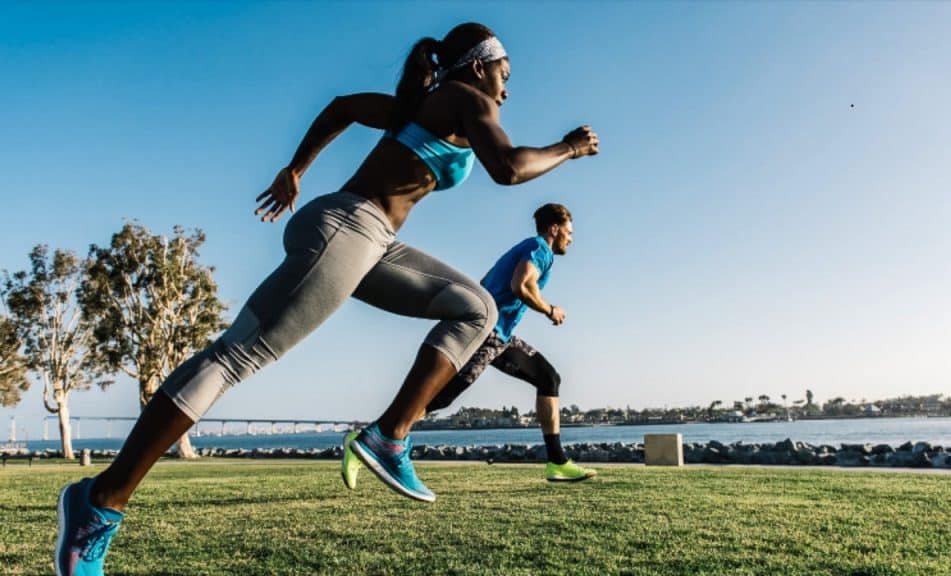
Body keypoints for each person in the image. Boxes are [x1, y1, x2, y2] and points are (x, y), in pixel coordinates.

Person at [55, 22, 598, 576]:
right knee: (235, 357)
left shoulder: (422, 106)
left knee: (477, 309)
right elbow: (507, 168)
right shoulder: (462, 96)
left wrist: (296, 170)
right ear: (481, 66)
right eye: (505, 76)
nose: (507, 91)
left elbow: (343, 107)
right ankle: (99, 504)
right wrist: (570, 148)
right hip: (350, 228)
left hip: (371, 239)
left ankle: (388, 437)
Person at [342, 203, 595, 488]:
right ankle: (371, 436)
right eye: (569, 232)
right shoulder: (540, 248)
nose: (571, 239)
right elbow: (521, 286)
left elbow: (489, 283)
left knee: (548, 377)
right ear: (554, 228)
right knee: (440, 399)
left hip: (500, 337)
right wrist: (550, 310)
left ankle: (557, 462)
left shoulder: (526, 248)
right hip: (487, 335)